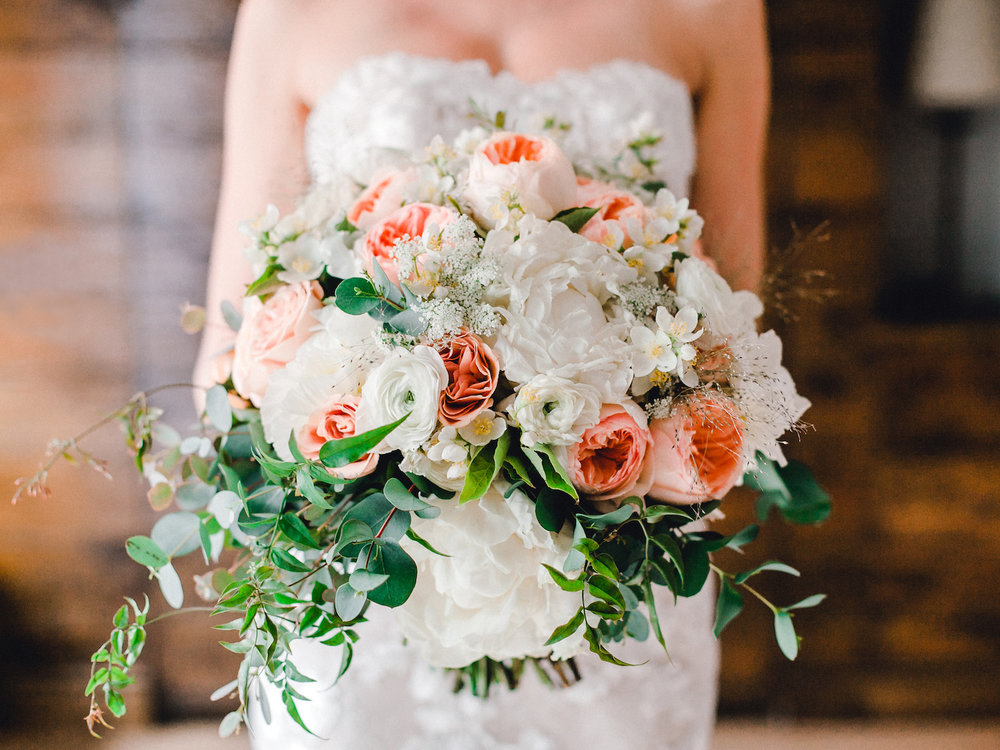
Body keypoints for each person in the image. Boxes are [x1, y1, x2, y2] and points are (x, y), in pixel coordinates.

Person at [196, 1, 769, 747]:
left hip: (614, 568)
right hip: (370, 576)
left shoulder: (716, 10)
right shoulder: (289, 11)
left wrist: (577, 472)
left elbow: (735, 328)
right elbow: (234, 338)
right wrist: (375, 467)